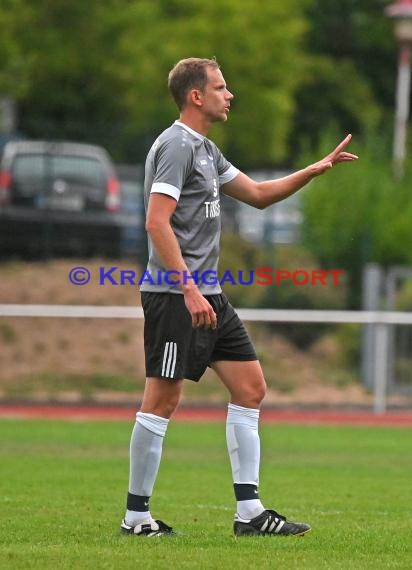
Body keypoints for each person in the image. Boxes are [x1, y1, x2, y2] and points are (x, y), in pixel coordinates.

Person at [121, 57, 358, 537]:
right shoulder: (175, 146)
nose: (229, 95)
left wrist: (314, 170)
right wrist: (187, 290)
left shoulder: (207, 149)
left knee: (251, 387)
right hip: (175, 295)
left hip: (210, 296)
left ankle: (250, 514)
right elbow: (155, 222)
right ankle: (136, 517)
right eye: (221, 87)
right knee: (162, 401)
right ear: (196, 96)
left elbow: (257, 194)